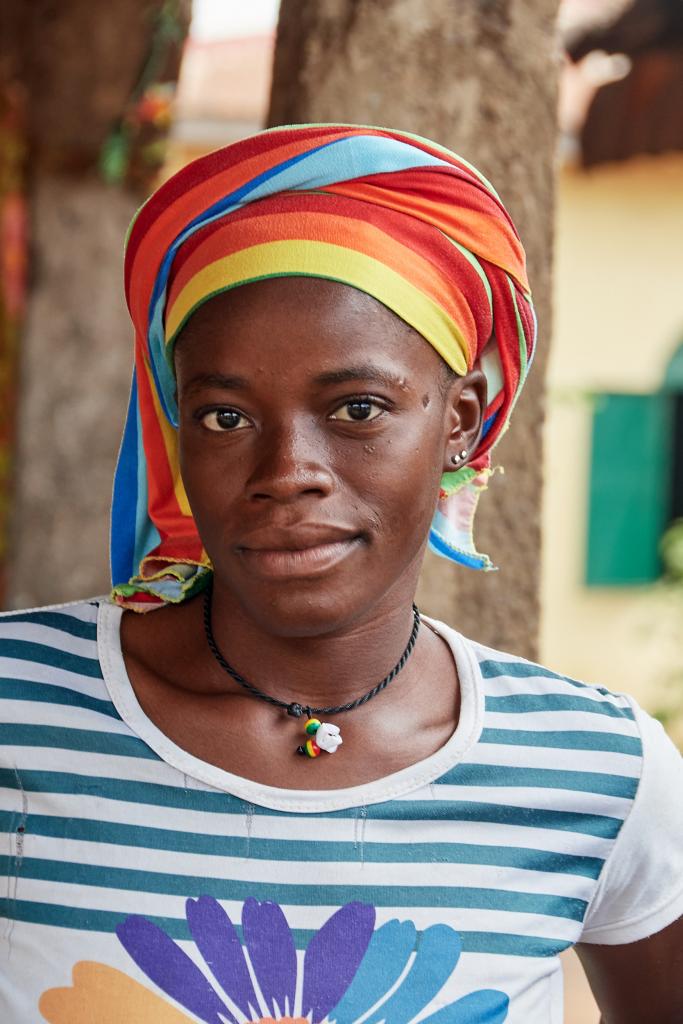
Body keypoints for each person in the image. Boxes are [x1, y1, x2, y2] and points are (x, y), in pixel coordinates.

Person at [0, 125, 681, 1024]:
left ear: (462, 422)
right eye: (223, 418)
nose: (287, 469)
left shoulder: (598, 770)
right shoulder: (20, 710)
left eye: (357, 408)